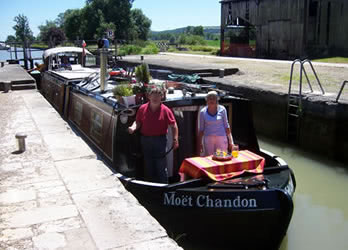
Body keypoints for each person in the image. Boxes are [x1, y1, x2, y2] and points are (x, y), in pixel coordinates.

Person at [128, 86, 179, 183]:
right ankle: (150, 187)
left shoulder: (166, 110)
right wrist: (133, 127)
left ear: (161, 97)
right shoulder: (142, 108)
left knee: (161, 165)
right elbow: (138, 122)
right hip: (145, 140)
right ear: (149, 96)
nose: (155, 98)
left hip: (160, 140)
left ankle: (163, 188)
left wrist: (175, 139)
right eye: (153, 95)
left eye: (158, 95)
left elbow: (174, 125)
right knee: (148, 165)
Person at [198, 91, 233, 156]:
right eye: (209, 98)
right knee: (210, 159)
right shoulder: (202, 112)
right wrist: (200, 144)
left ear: (217, 100)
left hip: (221, 138)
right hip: (208, 140)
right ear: (206, 100)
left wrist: (231, 142)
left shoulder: (222, 109)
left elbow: (227, 126)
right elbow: (201, 129)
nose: (211, 100)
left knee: (222, 158)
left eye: (213, 98)